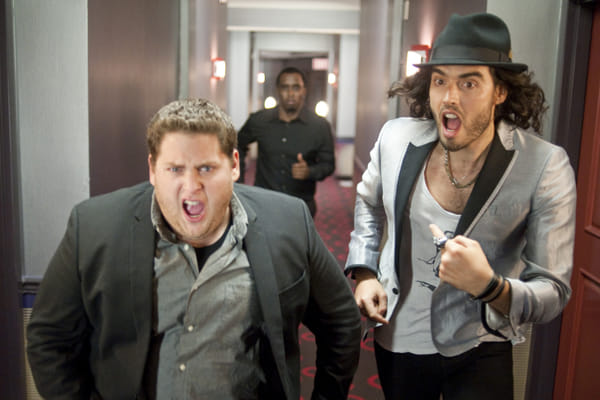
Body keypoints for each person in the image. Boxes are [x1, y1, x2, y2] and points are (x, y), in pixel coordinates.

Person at [27, 98, 361, 399]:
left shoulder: (288, 222)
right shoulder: (94, 226)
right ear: (152, 170)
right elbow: (49, 339)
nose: (191, 186)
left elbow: (341, 321)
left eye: (206, 168)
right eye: (175, 169)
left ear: (234, 165)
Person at [345, 12, 576, 400]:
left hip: (480, 344)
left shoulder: (543, 166)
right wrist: (366, 272)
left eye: (469, 83)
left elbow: (552, 290)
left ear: (500, 91)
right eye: (440, 81)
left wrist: (490, 286)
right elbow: (368, 204)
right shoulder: (395, 138)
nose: (450, 97)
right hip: (398, 338)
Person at [237, 66, 335, 217]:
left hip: (301, 206)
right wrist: (239, 182)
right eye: (285, 87)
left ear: (304, 91)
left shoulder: (320, 126)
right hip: (264, 203)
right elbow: (237, 145)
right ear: (278, 90)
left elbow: (328, 165)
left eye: (296, 88)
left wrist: (310, 172)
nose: (290, 93)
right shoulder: (260, 120)